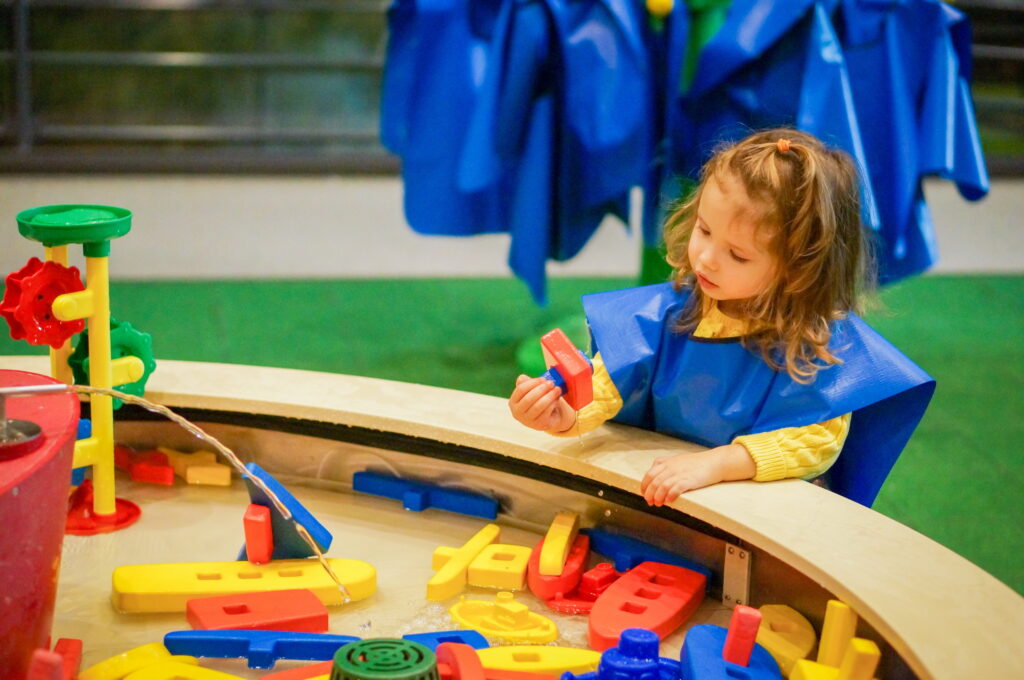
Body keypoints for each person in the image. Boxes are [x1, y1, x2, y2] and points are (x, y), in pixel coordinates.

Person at [508, 129, 935, 508]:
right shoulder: (670, 312)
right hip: (671, 502)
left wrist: (719, 463)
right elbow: (607, 381)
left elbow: (813, 443)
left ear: (799, 268)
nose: (706, 259)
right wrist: (565, 415)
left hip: (761, 513)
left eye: (738, 254)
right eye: (704, 230)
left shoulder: (820, 345)